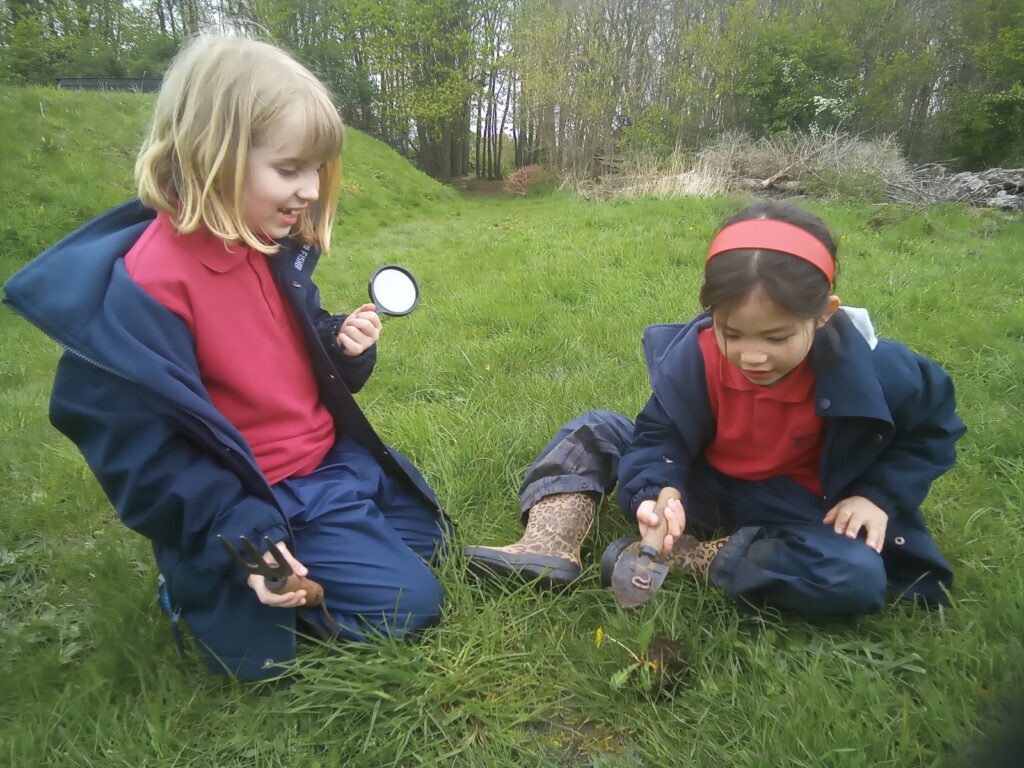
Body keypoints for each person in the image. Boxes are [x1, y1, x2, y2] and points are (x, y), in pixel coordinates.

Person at [3, 35, 450, 679]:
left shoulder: (269, 246)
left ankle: (323, 549)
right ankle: (206, 589)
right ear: (214, 154)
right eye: (289, 169)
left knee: (436, 543)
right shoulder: (150, 286)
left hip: (327, 463)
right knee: (413, 608)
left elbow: (284, 346)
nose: (308, 193)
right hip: (259, 495)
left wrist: (336, 346)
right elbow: (137, 453)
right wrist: (235, 528)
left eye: (315, 173)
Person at [466, 201, 965, 614]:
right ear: (712, 316)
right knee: (598, 428)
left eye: (777, 337)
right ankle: (548, 542)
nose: (752, 355)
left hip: (798, 505)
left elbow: (933, 428)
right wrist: (659, 489)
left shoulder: (881, 369)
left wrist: (876, 496)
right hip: (703, 483)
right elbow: (661, 435)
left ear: (823, 315)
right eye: (732, 333)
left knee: (854, 575)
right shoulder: (694, 356)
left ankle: (691, 556)